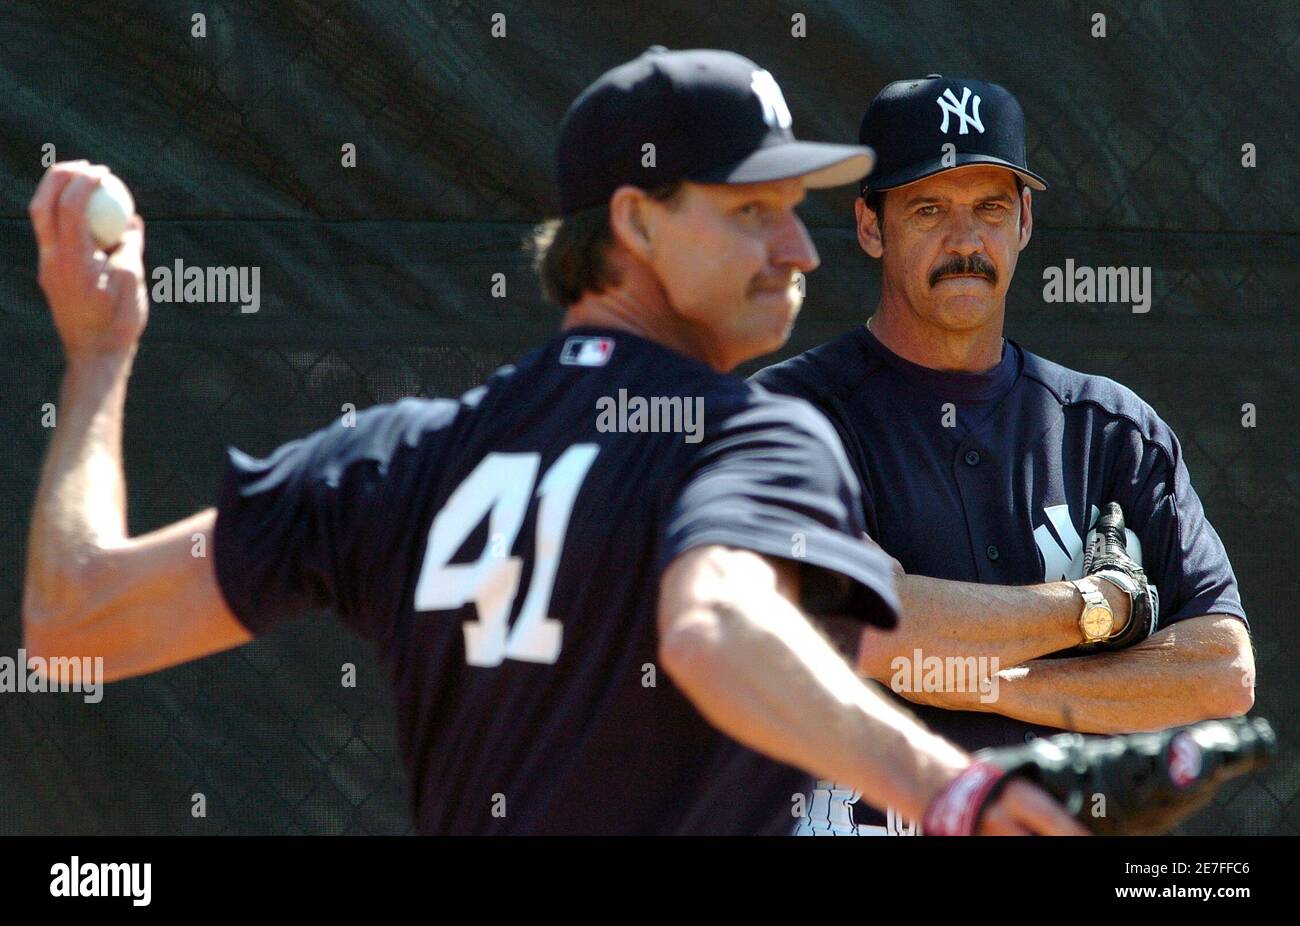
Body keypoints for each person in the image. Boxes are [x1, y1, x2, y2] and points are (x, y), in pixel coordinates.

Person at [23, 49, 1084, 835]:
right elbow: (715, 627)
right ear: (634, 222)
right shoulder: (744, 435)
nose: (799, 245)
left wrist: (101, 354)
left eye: (796, 207)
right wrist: (952, 786)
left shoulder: (400, 456)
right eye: (753, 209)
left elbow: (76, 618)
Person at [753, 75, 1254, 835]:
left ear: (1023, 221)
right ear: (869, 226)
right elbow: (877, 630)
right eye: (928, 208)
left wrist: (987, 678)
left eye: (989, 207)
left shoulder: (1111, 429)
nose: (965, 241)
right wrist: (1103, 608)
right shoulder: (783, 420)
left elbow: (1222, 675)